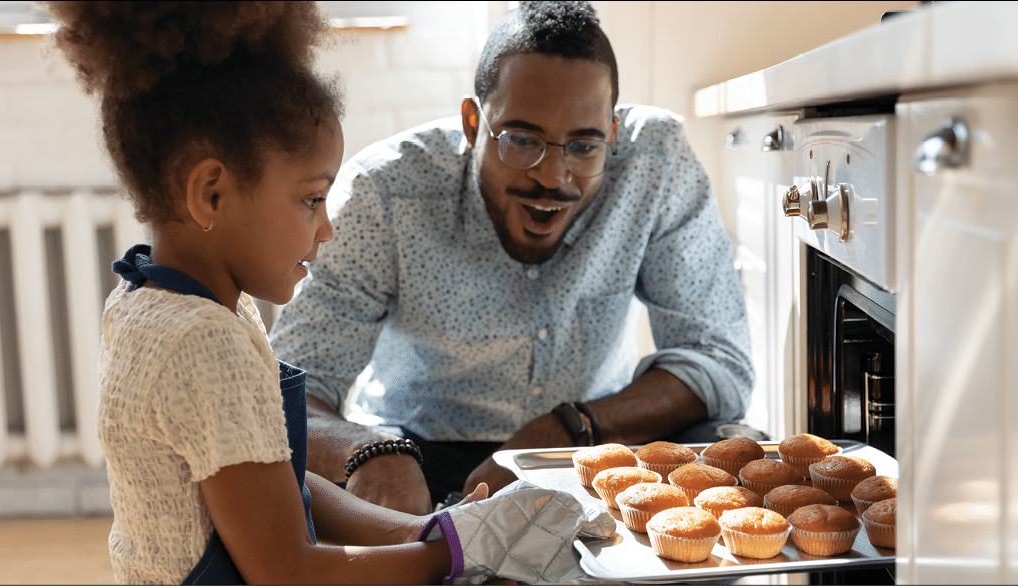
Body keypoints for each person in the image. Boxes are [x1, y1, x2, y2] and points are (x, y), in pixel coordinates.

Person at [46, 2, 610, 583]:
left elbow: (276, 482)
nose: (327, 228)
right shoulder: (208, 342)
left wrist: (427, 533)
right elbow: (288, 568)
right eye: (312, 199)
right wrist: (457, 553)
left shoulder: (152, 299)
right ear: (211, 194)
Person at [270, 0, 758, 516]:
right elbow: (286, 388)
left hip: (591, 444)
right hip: (415, 451)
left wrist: (566, 428)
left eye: (583, 145)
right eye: (521, 139)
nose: (552, 176)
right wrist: (365, 452)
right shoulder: (385, 193)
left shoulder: (655, 162)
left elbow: (718, 360)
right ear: (472, 122)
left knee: (732, 452)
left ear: (612, 133)